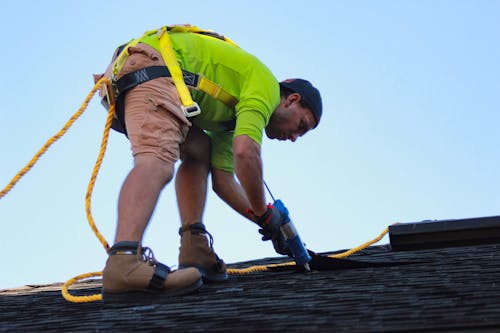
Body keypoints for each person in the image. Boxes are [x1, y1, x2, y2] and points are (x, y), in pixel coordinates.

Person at [95, 25, 323, 304]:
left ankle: (194, 247)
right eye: (301, 126)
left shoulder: (231, 118)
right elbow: (246, 153)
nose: (295, 138)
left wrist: (268, 222)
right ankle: (123, 262)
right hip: (151, 67)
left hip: (146, 74)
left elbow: (224, 181)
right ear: (292, 99)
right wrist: (266, 215)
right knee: (157, 160)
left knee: (199, 149)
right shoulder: (264, 85)